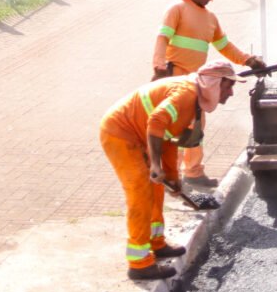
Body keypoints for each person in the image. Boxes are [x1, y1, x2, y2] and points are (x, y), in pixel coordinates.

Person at [99, 63, 246, 281]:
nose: (231, 92)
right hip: (120, 134)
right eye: (229, 86)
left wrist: (173, 178)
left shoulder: (193, 98)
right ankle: (139, 264)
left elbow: (167, 139)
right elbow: (156, 121)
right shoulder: (185, 94)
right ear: (215, 83)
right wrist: (156, 166)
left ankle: (156, 243)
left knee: (157, 187)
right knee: (140, 191)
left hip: (142, 135)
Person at [153, 0, 264, 189]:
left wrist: (249, 60)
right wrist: (159, 65)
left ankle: (193, 173)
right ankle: (168, 174)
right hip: (174, 76)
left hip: (196, 81)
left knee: (196, 128)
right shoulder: (177, 9)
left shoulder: (210, 19)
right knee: (174, 126)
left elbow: (224, 46)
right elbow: (163, 37)